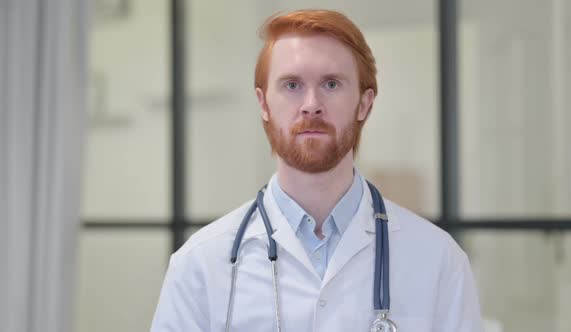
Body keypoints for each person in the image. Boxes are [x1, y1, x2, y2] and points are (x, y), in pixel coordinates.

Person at [151, 9, 483, 332]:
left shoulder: (438, 260)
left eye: (332, 84)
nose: (311, 104)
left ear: (364, 103)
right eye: (292, 85)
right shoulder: (200, 263)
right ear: (264, 103)